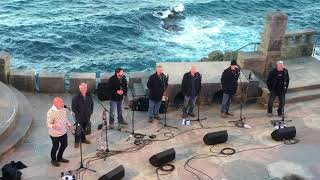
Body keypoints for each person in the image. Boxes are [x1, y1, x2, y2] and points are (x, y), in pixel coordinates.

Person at [47, 97, 72, 167]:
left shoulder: (63, 109)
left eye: (62, 102)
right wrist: (53, 125)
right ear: (55, 104)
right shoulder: (50, 112)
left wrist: (69, 124)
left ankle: (59, 157)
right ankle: (53, 160)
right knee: (55, 147)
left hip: (63, 132)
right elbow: (48, 124)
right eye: (61, 103)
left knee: (65, 144)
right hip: (54, 134)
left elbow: (65, 118)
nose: (63, 103)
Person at [72, 83, 93, 148]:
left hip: (87, 116)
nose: (84, 89)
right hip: (79, 117)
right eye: (83, 88)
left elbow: (92, 104)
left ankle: (83, 140)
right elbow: (74, 108)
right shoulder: (76, 97)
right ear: (80, 89)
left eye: (85, 88)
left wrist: (91, 111)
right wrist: (78, 116)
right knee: (78, 130)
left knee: (84, 128)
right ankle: (76, 142)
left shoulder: (89, 96)